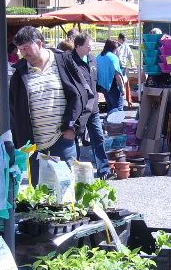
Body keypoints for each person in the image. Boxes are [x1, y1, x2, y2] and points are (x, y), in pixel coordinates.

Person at [10, 26, 85, 180]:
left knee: (66, 193)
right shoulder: (19, 73)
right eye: (20, 49)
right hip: (35, 147)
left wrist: (74, 127)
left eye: (26, 47)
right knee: (40, 198)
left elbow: (84, 95)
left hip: (62, 141)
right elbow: (13, 111)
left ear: (39, 43)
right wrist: (19, 143)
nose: (23, 52)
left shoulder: (63, 61)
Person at [71, 33, 111, 179]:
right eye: (88, 46)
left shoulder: (93, 59)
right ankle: (75, 172)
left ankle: (104, 170)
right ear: (78, 46)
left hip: (93, 108)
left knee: (98, 138)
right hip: (78, 109)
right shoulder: (70, 61)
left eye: (91, 45)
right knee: (74, 140)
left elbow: (95, 81)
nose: (90, 48)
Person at [96, 39, 126, 113]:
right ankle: (115, 124)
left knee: (110, 108)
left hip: (103, 86)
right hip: (113, 86)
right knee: (118, 109)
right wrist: (122, 88)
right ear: (114, 49)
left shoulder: (98, 57)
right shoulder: (113, 58)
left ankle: (109, 123)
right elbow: (117, 74)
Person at [116, 33, 135, 106]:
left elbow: (131, 55)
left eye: (125, 40)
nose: (124, 41)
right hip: (117, 67)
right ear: (119, 39)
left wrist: (132, 64)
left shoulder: (126, 46)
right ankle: (119, 98)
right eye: (123, 39)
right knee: (118, 83)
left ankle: (122, 97)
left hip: (123, 67)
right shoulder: (116, 45)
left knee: (122, 82)